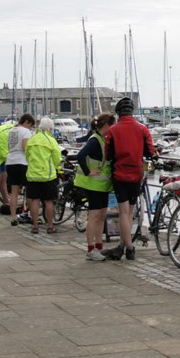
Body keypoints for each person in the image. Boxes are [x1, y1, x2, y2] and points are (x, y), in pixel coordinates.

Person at [101, 97, 155, 260]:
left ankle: (129, 247)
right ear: (132, 112)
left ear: (119, 113)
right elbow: (150, 152)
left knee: (123, 213)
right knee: (130, 212)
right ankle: (124, 246)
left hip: (120, 175)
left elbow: (108, 155)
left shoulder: (114, 130)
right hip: (136, 174)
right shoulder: (142, 129)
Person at [75, 112, 116, 261]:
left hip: (102, 186)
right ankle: (91, 248)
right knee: (94, 216)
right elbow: (80, 156)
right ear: (106, 126)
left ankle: (99, 246)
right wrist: (88, 171)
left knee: (102, 215)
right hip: (93, 185)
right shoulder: (94, 140)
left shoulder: (102, 139)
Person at [25, 117, 62, 234]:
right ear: (50, 129)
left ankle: (35, 226)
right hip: (48, 176)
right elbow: (57, 159)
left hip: (32, 175)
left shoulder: (32, 139)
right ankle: (50, 226)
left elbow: (27, 156)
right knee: (48, 201)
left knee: (34, 201)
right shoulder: (50, 140)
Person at [5, 114, 35, 226]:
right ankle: (31, 215)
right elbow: (25, 147)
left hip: (11, 161)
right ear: (27, 122)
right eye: (31, 126)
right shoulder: (25, 131)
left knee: (14, 192)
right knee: (29, 191)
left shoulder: (12, 131)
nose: (30, 128)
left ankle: (13, 217)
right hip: (22, 162)